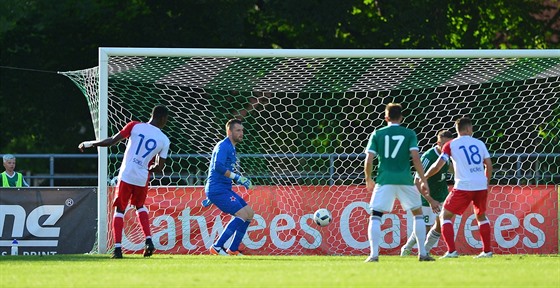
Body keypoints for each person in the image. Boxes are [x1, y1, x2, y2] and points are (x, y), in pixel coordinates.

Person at [78, 105, 170, 259]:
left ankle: (118, 249)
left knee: (120, 209)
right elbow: (160, 167)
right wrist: (149, 167)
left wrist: (91, 143)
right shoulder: (164, 140)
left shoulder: (134, 126)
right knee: (140, 207)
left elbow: (112, 141)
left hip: (126, 175)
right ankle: (148, 240)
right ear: (163, 118)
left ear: (151, 115)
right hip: (142, 178)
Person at [363, 103, 437, 262]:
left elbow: (369, 159)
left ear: (386, 117)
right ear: (401, 117)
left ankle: (373, 255)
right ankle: (422, 253)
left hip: (384, 180)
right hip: (405, 180)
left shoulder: (377, 133)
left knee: (375, 215)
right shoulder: (409, 134)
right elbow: (416, 158)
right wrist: (423, 180)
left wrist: (368, 178)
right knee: (417, 214)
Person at [424, 116, 493, 259]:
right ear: (468, 128)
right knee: (481, 216)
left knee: (445, 216)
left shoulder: (451, 145)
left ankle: (451, 251)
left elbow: (438, 165)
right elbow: (489, 164)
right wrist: (486, 182)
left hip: (463, 186)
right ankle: (487, 252)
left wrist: (425, 176)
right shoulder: (479, 143)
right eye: (472, 128)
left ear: (458, 130)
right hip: (480, 185)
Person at [400, 130, 454, 256]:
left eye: (449, 144)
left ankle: (426, 251)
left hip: (442, 194)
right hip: (427, 197)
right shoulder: (429, 157)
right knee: (425, 227)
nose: (446, 147)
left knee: (442, 224)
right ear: (438, 143)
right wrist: (430, 200)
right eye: (444, 144)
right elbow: (417, 181)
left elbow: (450, 168)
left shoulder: (447, 154)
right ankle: (406, 248)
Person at [206, 119, 254, 256]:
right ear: (229, 131)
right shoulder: (223, 146)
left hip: (223, 189)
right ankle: (217, 246)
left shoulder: (231, 147)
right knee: (242, 214)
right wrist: (237, 178)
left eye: (242, 130)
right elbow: (218, 166)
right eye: (238, 130)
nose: (241, 133)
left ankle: (233, 249)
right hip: (218, 189)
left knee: (249, 213)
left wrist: (238, 179)